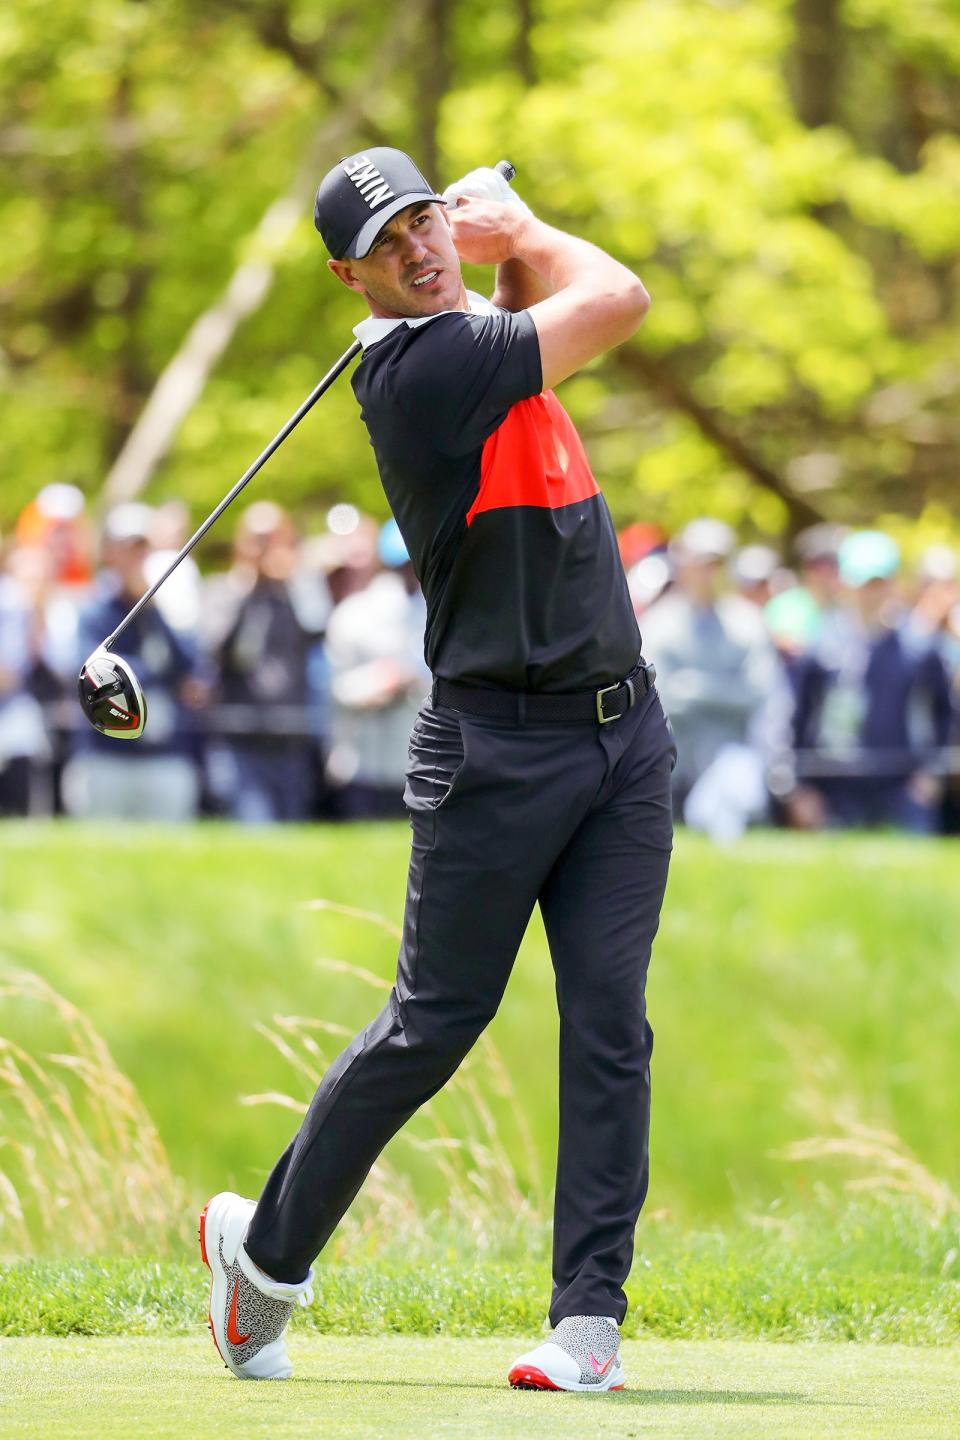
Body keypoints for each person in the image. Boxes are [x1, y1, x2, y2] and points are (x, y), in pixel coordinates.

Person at [199, 149, 675, 1392]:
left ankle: (589, 1324)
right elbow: (617, 297)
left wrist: (499, 245)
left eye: (428, 220)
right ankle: (265, 1259)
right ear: (347, 274)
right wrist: (522, 222)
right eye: (390, 239)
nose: (420, 246)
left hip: (625, 737)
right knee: (433, 1022)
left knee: (611, 1022)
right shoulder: (422, 369)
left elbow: (528, 309)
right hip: (496, 752)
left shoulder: (477, 336)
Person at [791, 530, 953, 832]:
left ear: (892, 584)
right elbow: (794, 718)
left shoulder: (920, 648)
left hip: (903, 789)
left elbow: (946, 717)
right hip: (834, 789)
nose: (870, 593)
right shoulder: (821, 645)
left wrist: (931, 777)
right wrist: (798, 789)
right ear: (846, 584)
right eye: (863, 584)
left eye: (879, 584)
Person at [325, 519, 431, 818]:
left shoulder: (443, 610)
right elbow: (336, 686)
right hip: (365, 761)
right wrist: (380, 681)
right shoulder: (354, 614)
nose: (411, 573)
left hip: (425, 759)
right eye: (404, 565)